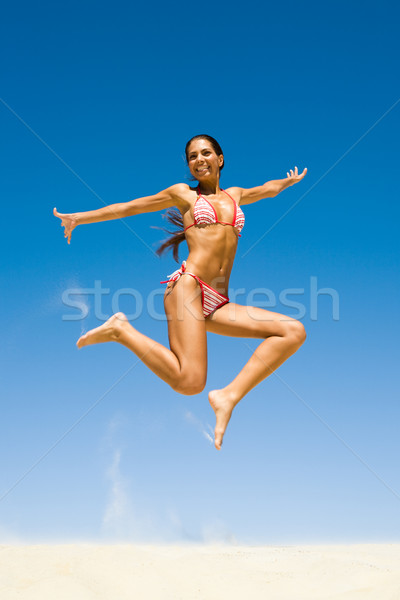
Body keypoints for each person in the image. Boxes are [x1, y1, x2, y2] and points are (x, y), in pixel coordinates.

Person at [53, 134, 307, 450]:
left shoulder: (235, 196)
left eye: (205, 153)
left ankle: (228, 396)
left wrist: (287, 183)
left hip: (217, 303)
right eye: (192, 156)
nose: (198, 159)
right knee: (189, 383)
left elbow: (265, 190)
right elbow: (130, 207)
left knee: (292, 331)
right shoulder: (184, 195)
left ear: (220, 158)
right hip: (188, 286)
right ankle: (120, 330)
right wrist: (79, 218)